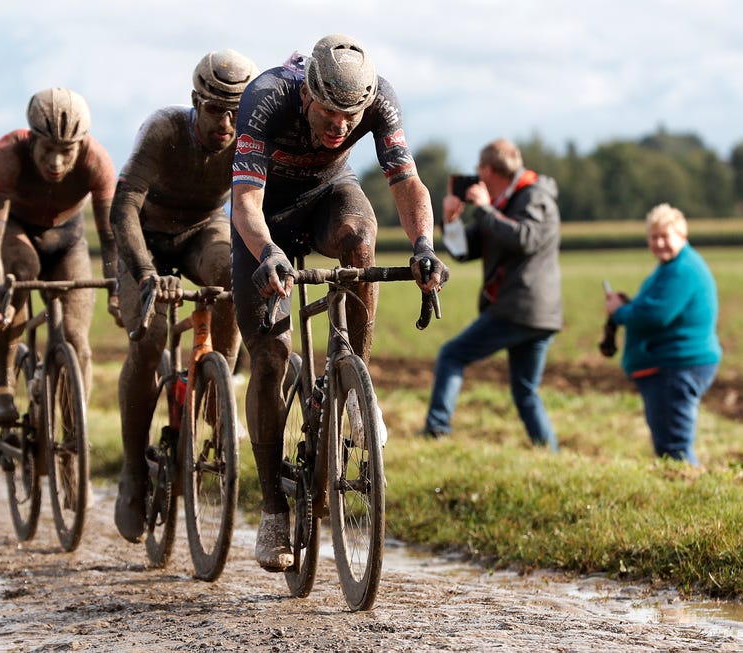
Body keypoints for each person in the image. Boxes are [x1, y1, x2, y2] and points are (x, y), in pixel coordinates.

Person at [230, 34, 448, 571]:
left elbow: (408, 182)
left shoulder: (379, 98)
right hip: (265, 219)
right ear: (306, 94)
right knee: (271, 358)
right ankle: (274, 510)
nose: (341, 128)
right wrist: (267, 254)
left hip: (329, 196)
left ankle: (353, 386)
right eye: (330, 114)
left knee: (361, 236)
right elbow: (245, 202)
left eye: (351, 118)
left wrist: (424, 247)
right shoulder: (266, 98)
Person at [109, 50, 259, 543]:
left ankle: (218, 393)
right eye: (216, 109)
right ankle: (133, 470)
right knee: (149, 340)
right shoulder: (163, 130)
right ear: (196, 101)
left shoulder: (250, 138)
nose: (227, 122)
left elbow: (258, 208)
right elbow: (123, 207)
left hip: (201, 231)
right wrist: (145, 272)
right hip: (146, 237)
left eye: (237, 111)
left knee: (232, 274)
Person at [0, 87, 118, 425]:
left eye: (66, 151)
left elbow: (112, 238)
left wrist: (117, 292)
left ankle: (74, 432)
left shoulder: (97, 161)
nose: (56, 162)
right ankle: (3, 381)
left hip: (68, 239)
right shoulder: (8, 153)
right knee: (22, 273)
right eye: (48, 150)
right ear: (32, 140)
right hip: (17, 232)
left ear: (80, 145)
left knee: (75, 337)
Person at [422, 138, 561, 450]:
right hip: (534, 312)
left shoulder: (534, 196)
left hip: (520, 308)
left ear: (487, 170)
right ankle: (551, 453)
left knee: (452, 354)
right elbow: (464, 250)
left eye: (478, 172)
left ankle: (436, 428)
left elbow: (524, 238)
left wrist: (483, 209)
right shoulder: (503, 204)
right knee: (525, 391)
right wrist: (452, 221)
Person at [604, 203, 721, 466]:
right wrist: (627, 307)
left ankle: (692, 498)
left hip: (678, 365)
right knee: (669, 444)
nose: (659, 243)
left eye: (665, 236)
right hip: (672, 364)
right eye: (653, 237)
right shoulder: (672, 267)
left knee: (674, 447)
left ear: (682, 236)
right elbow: (652, 308)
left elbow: (655, 315)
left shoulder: (682, 270)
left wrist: (619, 312)